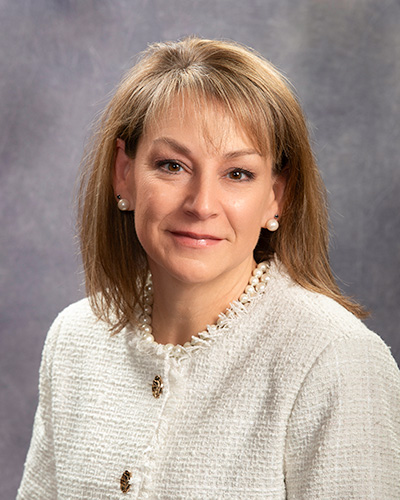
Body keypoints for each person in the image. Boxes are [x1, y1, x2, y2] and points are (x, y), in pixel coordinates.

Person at [18, 37, 400, 500]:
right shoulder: (73, 339)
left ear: (277, 195)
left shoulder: (335, 358)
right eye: (172, 165)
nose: (201, 205)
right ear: (124, 173)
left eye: (237, 173)